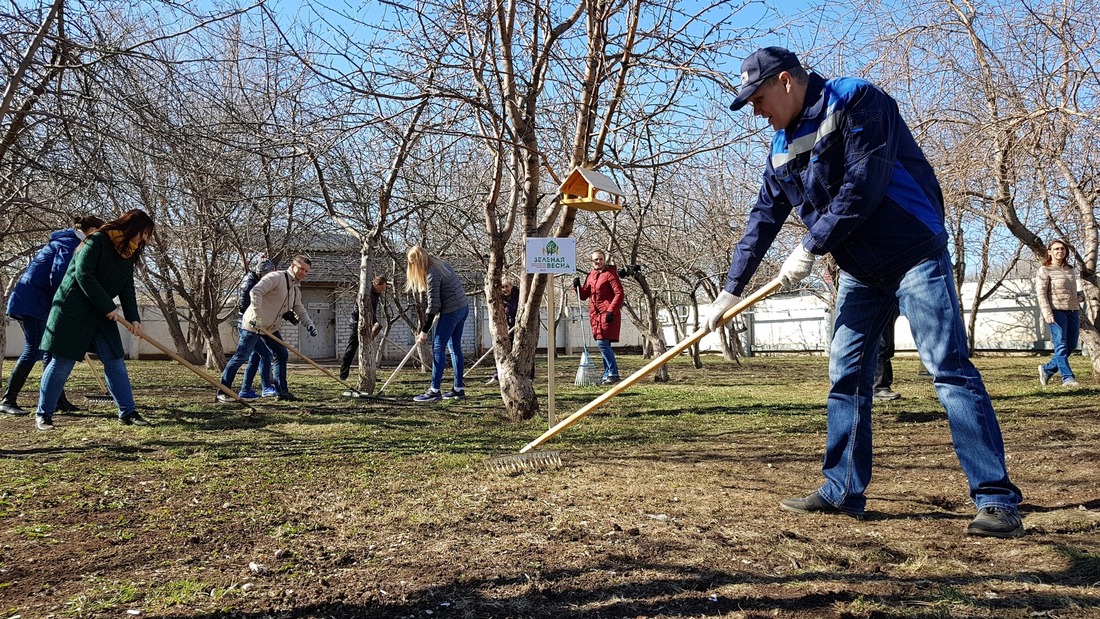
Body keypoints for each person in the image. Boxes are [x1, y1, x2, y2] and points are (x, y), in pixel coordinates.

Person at [708, 46, 1022, 537]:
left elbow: (865, 184)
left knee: (949, 371)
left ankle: (997, 500)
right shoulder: (780, 147)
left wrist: (810, 246)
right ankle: (842, 490)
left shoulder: (856, 99)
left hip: (913, 253)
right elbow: (763, 217)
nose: (756, 110)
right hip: (859, 270)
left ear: (786, 81)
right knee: (846, 376)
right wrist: (730, 290)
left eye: (760, 96)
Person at [33, 209, 155, 430]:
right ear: (132, 227)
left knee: (115, 361)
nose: (145, 239)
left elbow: (127, 287)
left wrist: (134, 318)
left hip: (101, 312)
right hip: (73, 310)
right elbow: (83, 275)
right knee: (62, 362)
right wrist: (108, 306)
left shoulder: (129, 252)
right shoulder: (97, 240)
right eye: (144, 232)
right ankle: (44, 414)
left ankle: (128, 412)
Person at [3, 215, 106, 416]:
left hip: (42, 304)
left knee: (50, 351)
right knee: (34, 350)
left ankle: (58, 400)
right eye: (99, 234)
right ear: (92, 230)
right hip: (32, 303)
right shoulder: (69, 243)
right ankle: (8, 400)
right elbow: (60, 275)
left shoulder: (71, 241)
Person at [218, 254, 317, 403]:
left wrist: (309, 324)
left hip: (270, 328)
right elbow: (255, 291)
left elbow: (299, 307)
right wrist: (257, 318)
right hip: (253, 325)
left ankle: (281, 392)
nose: (303, 273)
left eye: (306, 271)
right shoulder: (276, 277)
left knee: (281, 353)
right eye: (301, 268)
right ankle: (223, 391)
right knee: (242, 356)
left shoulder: (295, 288)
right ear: (292, 265)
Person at [405, 246, 468, 402]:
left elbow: (433, 306)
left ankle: (434, 391)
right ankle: (458, 389)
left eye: (412, 263)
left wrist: (424, 331)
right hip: (462, 308)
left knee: (438, 347)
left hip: (452, 312)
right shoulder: (442, 264)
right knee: (455, 348)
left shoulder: (432, 274)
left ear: (418, 262)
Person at [1036, 239, 1082, 388]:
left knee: (1071, 345)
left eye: (1062, 249)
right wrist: (1047, 313)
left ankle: (1047, 369)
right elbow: (1041, 294)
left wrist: (1081, 296)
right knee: (1061, 345)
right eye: (1056, 249)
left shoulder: (1070, 269)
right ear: (1050, 252)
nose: (1059, 251)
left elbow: (1073, 292)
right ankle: (1067, 378)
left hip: (1073, 311)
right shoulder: (1045, 270)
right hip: (1056, 312)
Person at [574, 250, 624, 385]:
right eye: (596, 259)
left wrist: (610, 311)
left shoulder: (610, 275)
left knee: (602, 343)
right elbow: (584, 295)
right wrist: (577, 287)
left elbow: (619, 293)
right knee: (604, 344)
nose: (598, 262)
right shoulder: (591, 276)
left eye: (601, 259)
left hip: (608, 314)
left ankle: (613, 373)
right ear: (592, 261)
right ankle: (607, 373)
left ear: (604, 260)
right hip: (595, 316)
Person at [237, 255, 277, 399]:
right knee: (266, 354)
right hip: (247, 324)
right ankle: (266, 387)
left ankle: (245, 390)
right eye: (267, 275)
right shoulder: (250, 283)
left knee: (255, 357)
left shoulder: (258, 281)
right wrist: (257, 322)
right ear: (261, 273)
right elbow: (245, 307)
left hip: (254, 324)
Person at [339, 275, 388, 381]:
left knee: (368, 349)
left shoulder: (376, 294)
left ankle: (370, 375)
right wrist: (371, 323)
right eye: (382, 288)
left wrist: (376, 325)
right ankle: (343, 374)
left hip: (368, 322)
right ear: (376, 284)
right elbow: (362, 311)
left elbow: (372, 312)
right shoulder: (366, 292)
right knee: (352, 348)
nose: (382, 291)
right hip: (358, 322)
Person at [487, 278, 520, 384]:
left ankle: (527, 375)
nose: (505, 289)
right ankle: (497, 376)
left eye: (507, 286)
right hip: (507, 327)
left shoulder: (519, 295)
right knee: (503, 350)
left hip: (519, 326)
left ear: (511, 286)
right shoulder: (500, 297)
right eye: (502, 287)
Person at [873, 303, 901, 401]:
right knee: (880, 347)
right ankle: (878, 387)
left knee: (887, 349)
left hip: (888, 309)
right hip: (877, 308)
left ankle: (883, 385)